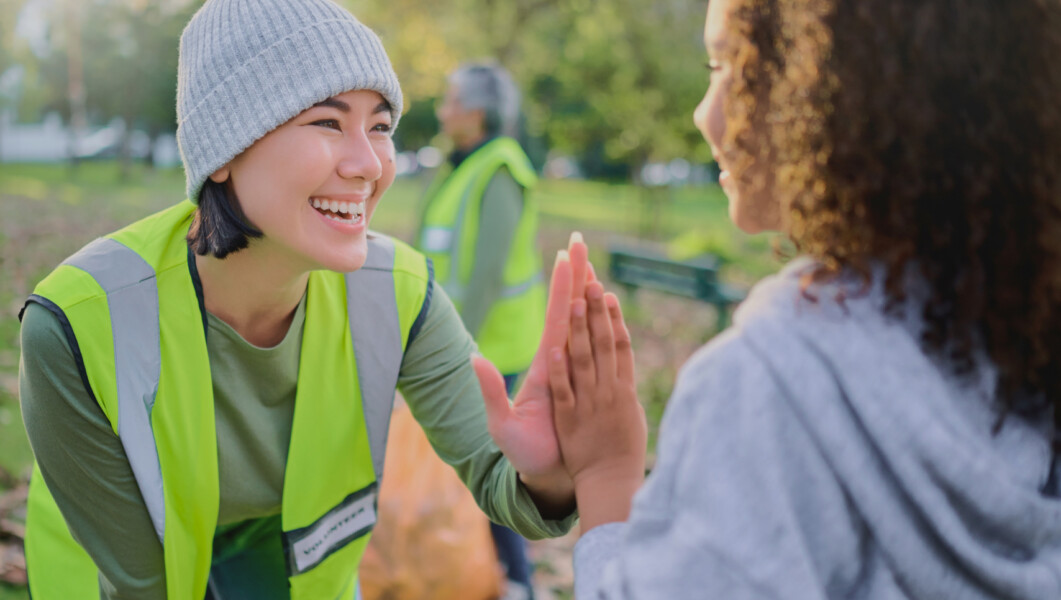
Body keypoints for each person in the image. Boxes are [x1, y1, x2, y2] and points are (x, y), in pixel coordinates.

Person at [16, 0, 593, 597]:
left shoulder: (400, 293)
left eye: (380, 127)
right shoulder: (78, 324)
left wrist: (548, 470)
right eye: (327, 122)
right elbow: (141, 585)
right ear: (226, 150)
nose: (369, 164)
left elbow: (511, 491)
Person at [543, 0, 1061, 598]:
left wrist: (605, 475)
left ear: (824, 83)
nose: (702, 113)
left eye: (725, 66)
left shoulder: (772, 386)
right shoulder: (1021, 333)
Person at [414, 61, 545, 599]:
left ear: (477, 111)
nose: (443, 111)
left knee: (494, 473)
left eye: (450, 101)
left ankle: (518, 582)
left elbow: (487, 274)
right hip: (468, 347)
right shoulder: (463, 166)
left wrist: (449, 349)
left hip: (493, 349)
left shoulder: (499, 169)